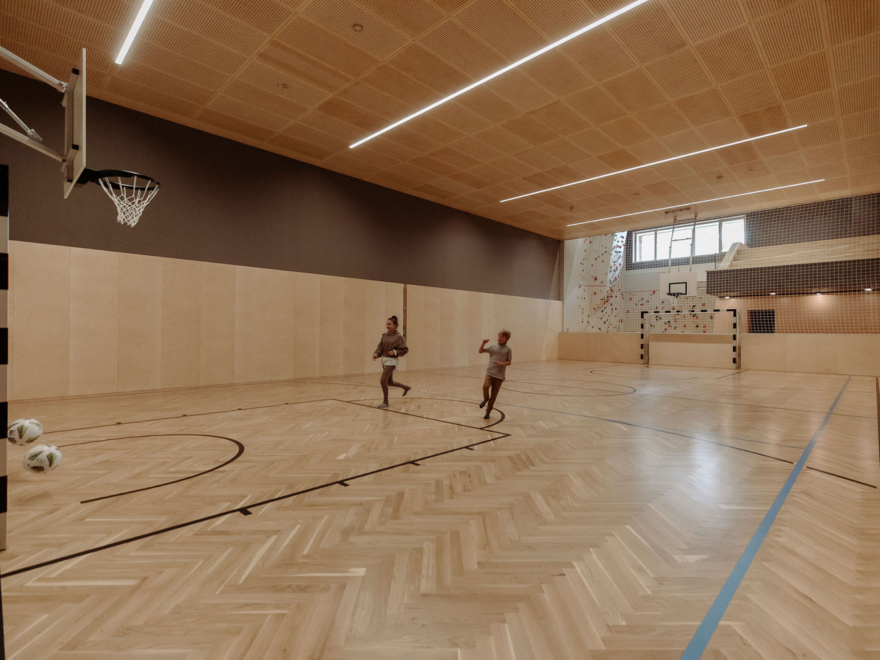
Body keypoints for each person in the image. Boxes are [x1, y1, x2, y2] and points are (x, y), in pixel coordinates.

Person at [372, 316, 411, 408]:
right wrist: (376, 354)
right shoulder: (384, 335)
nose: (388, 326)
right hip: (385, 360)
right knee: (390, 382)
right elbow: (380, 348)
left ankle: (385, 401)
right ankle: (406, 387)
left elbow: (405, 350)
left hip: (392, 361)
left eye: (390, 324)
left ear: (395, 325)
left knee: (382, 380)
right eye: (387, 324)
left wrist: (395, 352)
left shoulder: (399, 337)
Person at [479, 330, 512, 420]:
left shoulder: (508, 350)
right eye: (499, 336)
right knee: (485, 386)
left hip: (499, 376)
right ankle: (485, 399)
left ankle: (488, 412)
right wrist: (483, 343)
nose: (500, 338)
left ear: (506, 339)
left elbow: (509, 362)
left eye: (502, 337)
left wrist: (501, 363)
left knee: (493, 395)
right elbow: (480, 351)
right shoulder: (493, 347)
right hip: (490, 372)